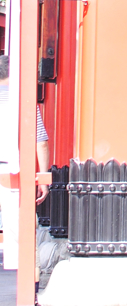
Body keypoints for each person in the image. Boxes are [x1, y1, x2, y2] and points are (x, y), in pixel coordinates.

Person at [0, 55, 49, 274]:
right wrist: (44, 177)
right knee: (21, 228)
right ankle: (29, 277)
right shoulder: (24, 101)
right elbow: (42, 142)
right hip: (13, 170)